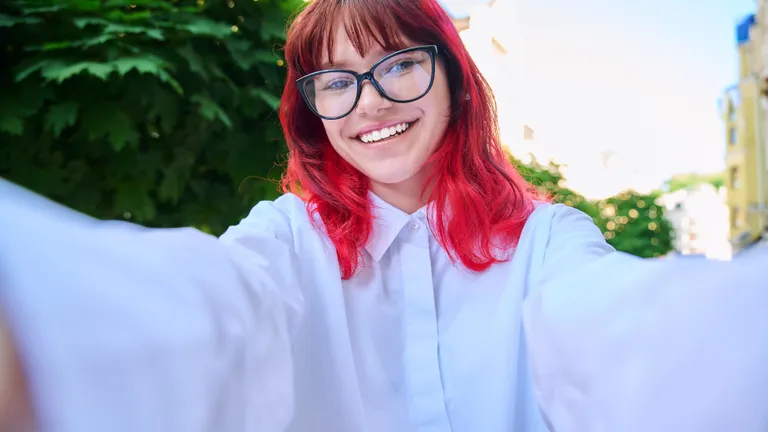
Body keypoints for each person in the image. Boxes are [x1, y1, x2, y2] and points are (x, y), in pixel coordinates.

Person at [0, 0, 766, 431]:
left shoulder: (546, 241)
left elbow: (610, 327)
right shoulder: (285, 240)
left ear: (455, 81)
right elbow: (212, 302)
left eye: (399, 64)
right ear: (312, 111)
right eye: (335, 80)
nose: (369, 101)